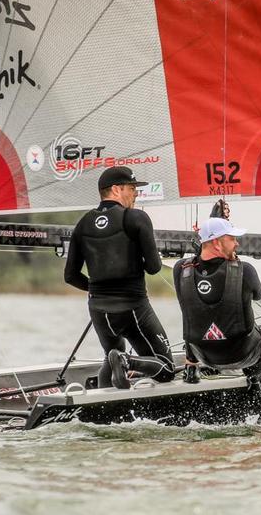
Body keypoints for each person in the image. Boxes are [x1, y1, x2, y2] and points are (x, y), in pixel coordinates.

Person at [64, 165, 174, 389]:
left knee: (111, 355)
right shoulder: (136, 218)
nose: (135, 193)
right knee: (166, 369)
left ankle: (103, 411)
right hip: (133, 306)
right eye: (132, 188)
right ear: (116, 189)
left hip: (99, 309)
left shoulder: (82, 223)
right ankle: (127, 361)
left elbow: (70, 276)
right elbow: (154, 267)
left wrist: (98, 289)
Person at [173, 217, 261, 384]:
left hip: (204, 356)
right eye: (232, 239)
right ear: (216, 243)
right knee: (255, 328)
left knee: (192, 311)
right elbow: (259, 295)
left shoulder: (181, 269)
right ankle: (256, 379)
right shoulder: (246, 270)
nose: (237, 244)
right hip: (243, 356)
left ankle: (191, 366)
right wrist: (235, 264)